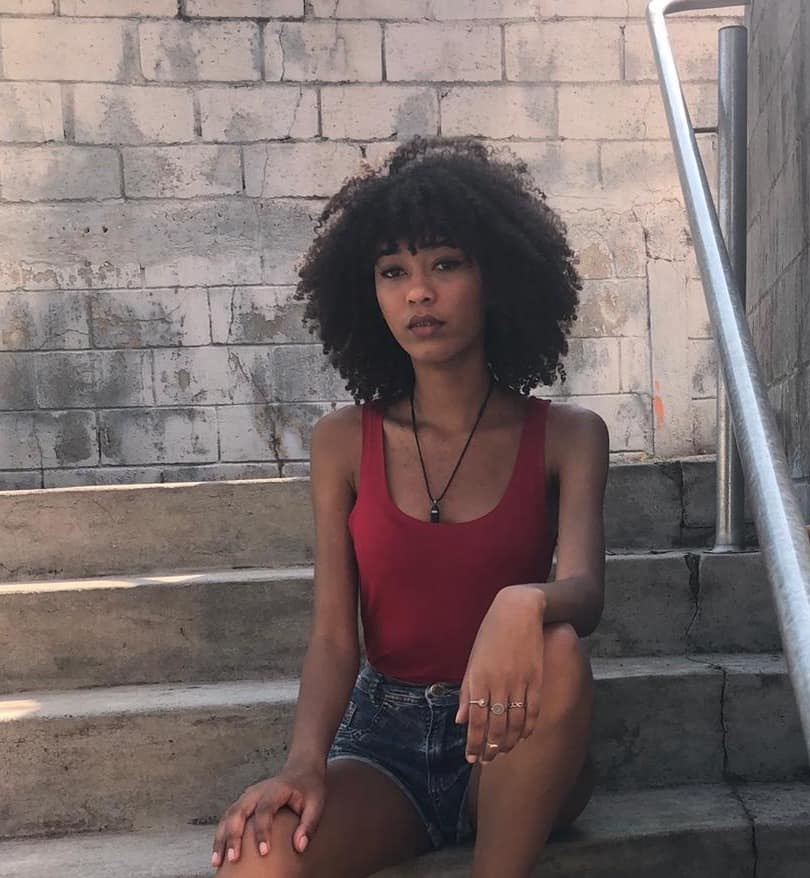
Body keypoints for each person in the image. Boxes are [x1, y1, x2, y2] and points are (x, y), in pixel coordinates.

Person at [210, 136, 609, 878]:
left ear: (495, 277)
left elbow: (584, 593)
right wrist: (303, 762)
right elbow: (335, 636)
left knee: (557, 648)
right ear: (369, 293)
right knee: (253, 860)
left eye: (445, 264)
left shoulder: (568, 435)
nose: (418, 292)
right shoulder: (342, 442)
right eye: (393, 271)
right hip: (384, 745)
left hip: (514, 732)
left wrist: (524, 600)